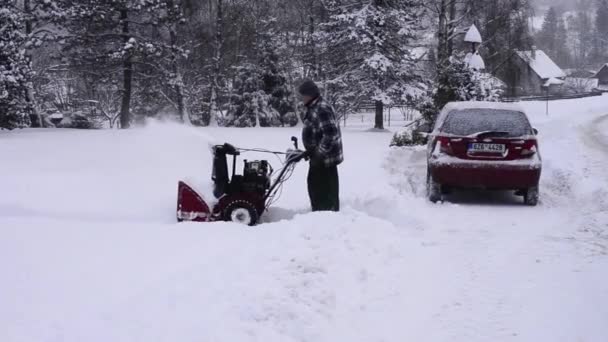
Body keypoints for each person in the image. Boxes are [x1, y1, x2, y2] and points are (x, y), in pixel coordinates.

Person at [298, 80, 343, 212]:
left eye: (303, 95)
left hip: (325, 160)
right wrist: (311, 150)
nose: (302, 98)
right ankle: (319, 214)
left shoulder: (322, 108)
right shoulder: (314, 106)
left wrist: (319, 153)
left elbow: (331, 133)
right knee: (315, 188)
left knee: (324, 191)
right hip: (319, 158)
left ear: (311, 94)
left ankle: (327, 218)